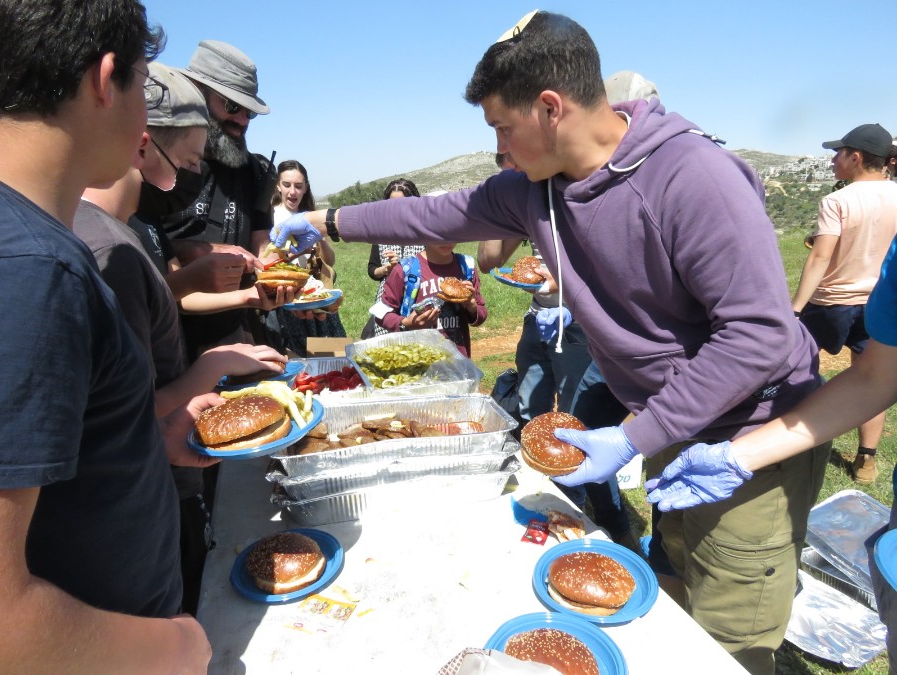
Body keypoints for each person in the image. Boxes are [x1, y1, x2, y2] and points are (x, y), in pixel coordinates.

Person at [275, 12, 831, 673]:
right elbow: (431, 212)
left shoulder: (692, 177)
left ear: (549, 109)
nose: (500, 150)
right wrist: (321, 219)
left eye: (501, 129)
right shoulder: (534, 189)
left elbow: (758, 335)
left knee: (730, 641)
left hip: (754, 438)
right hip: (676, 425)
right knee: (674, 584)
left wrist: (633, 436)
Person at [0, 1, 212, 671]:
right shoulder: (34, 269)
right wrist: (178, 643)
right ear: (105, 77)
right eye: (143, 85)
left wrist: (141, 441)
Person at [73, 61, 291, 616]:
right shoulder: (109, 249)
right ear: (143, 146)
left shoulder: (130, 233)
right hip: (139, 510)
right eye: (189, 162)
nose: (192, 175)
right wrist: (207, 365)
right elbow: (122, 410)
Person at [646, 233, 897, 674]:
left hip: (759, 434)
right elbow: (875, 377)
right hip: (692, 430)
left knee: (735, 629)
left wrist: (741, 454)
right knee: (679, 551)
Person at [478, 151, 636, 549]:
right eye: (503, 167)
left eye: (514, 160)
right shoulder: (530, 199)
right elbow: (489, 260)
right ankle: (551, 500)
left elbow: (613, 267)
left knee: (578, 427)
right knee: (530, 411)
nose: (512, 169)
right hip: (539, 320)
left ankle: (607, 523)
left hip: (580, 326)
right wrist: (498, 208)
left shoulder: (581, 191)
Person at [792, 123, 897, 484]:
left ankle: (795, 439)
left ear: (856, 157)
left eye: (838, 152)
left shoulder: (838, 201)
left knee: (796, 370)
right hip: (879, 303)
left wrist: (795, 309)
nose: (834, 159)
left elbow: (820, 258)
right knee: (874, 377)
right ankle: (866, 461)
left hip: (830, 303)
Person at [163, 40, 275, 360]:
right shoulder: (159, 162)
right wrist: (197, 251)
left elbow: (261, 247)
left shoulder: (257, 172)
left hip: (233, 330)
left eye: (249, 111)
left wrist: (281, 282)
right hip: (169, 337)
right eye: (231, 105)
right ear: (197, 92)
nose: (242, 120)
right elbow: (142, 244)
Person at [271, 159, 346, 354]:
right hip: (291, 301)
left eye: (298, 186)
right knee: (302, 361)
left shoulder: (311, 216)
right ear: (278, 186)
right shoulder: (271, 216)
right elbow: (270, 263)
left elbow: (329, 261)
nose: (292, 191)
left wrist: (320, 237)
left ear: (306, 188)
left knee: (333, 356)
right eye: (287, 185)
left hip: (317, 297)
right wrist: (298, 252)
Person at [374, 243, 487, 357]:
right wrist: (406, 324)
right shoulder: (405, 269)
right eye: (440, 233)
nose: (448, 239)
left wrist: (472, 308)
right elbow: (381, 314)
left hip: (458, 362)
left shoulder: (466, 267)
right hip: (418, 363)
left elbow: (480, 312)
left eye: (454, 232)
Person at [360, 178, 426, 339]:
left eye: (402, 203)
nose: (397, 209)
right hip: (388, 300)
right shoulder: (381, 232)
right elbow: (372, 269)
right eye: (392, 204)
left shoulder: (424, 231)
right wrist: (386, 269)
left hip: (419, 300)